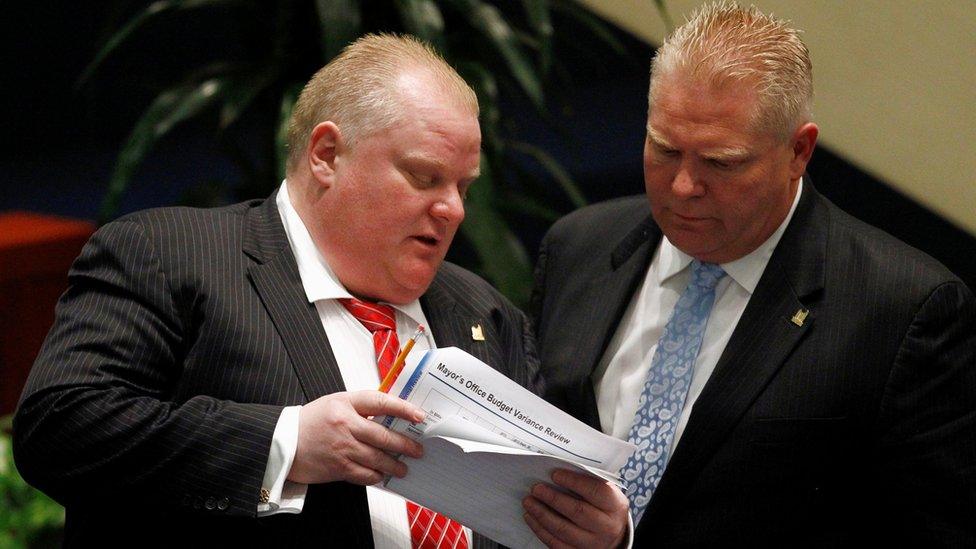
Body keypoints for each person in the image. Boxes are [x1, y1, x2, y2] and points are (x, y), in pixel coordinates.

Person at [14, 34, 625, 548]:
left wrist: (600, 530)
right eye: (423, 176)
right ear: (327, 154)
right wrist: (286, 443)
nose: (453, 209)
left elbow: (550, 489)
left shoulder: (486, 314)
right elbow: (58, 430)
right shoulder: (171, 255)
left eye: (464, 186)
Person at [531, 2, 976, 546]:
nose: (683, 187)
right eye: (665, 150)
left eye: (721, 162)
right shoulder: (579, 247)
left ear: (798, 152)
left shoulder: (902, 310)